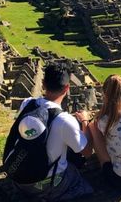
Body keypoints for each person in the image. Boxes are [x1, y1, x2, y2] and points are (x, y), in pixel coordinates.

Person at [11, 62, 94, 201]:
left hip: (18, 177)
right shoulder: (65, 120)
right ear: (67, 88)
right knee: (79, 177)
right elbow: (87, 152)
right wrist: (85, 122)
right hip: (42, 186)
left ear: (43, 84)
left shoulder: (27, 104)